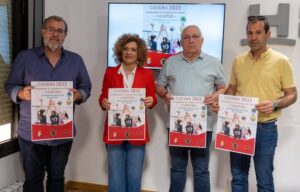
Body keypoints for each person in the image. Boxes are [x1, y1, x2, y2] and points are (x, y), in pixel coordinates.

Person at [5, 15, 92, 192]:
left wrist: (79, 95)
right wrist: (20, 93)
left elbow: (86, 86)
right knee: (33, 180)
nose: (55, 34)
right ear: (43, 31)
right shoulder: (25, 58)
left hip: (62, 132)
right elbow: (10, 85)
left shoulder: (76, 60)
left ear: (65, 35)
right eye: (51, 29)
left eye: (60, 31)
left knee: (57, 178)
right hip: (30, 133)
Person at [222, 16, 297, 192]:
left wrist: (276, 104)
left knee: (264, 180)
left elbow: (292, 94)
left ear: (268, 34)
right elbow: (232, 89)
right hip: (238, 126)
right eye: (250, 33)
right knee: (238, 178)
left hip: (266, 128)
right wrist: (224, 102)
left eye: (258, 33)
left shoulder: (281, 61)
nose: (253, 37)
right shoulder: (238, 60)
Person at [156, 25, 226, 192]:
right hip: (177, 125)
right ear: (181, 42)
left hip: (204, 125)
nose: (191, 40)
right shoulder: (171, 62)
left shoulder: (214, 62)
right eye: (186, 37)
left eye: (195, 36)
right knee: (177, 169)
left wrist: (216, 96)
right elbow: (159, 86)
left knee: (201, 170)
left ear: (202, 40)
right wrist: (165, 94)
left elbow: (223, 87)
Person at [99, 33, 157, 192]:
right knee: (115, 176)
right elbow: (103, 96)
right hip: (114, 130)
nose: (129, 52)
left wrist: (151, 101)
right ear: (120, 51)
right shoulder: (110, 72)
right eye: (125, 49)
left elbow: (152, 98)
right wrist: (103, 102)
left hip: (137, 131)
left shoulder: (147, 74)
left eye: (133, 49)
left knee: (134, 174)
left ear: (139, 54)